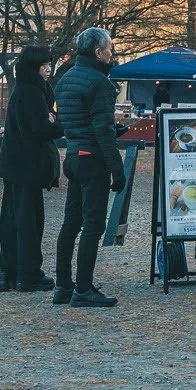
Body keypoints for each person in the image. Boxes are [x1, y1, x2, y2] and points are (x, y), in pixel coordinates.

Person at [53, 27, 123, 308]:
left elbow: (75, 120)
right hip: (92, 158)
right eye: (109, 49)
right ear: (98, 52)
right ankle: (83, 288)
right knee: (93, 225)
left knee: (71, 222)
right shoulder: (100, 84)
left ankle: (63, 285)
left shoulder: (66, 79)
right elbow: (102, 130)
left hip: (73, 154)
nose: (111, 54)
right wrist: (117, 169)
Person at [0, 45, 61, 293]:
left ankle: (8, 272)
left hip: (15, 166)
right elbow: (39, 130)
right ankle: (28, 273)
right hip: (28, 166)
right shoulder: (33, 92)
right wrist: (60, 125)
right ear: (34, 67)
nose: (48, 69)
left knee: (12, 220)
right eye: (43, 65)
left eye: (49, 64)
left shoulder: (23, 89)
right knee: (29, 222)